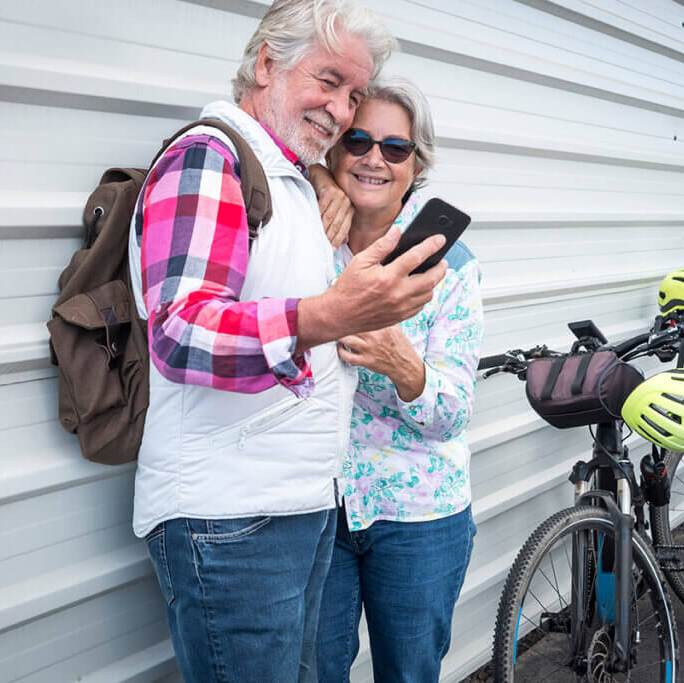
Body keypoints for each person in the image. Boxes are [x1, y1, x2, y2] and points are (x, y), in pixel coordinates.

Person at [127, 2, 451, 681]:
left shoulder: (290, 177)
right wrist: (329, 315)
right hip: (232, 521)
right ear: (268, 61)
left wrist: (326, 179)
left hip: (291, 509)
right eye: (327, 80)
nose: (339, 110)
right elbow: (181, 330)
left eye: (354, 95)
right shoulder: (207, 160)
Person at [310, 78, 484, 683]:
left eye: (395, 148)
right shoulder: (304, 239)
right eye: (356, 141)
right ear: (332, 149)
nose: (373, 158)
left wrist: (402, 362)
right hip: (316, 506)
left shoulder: (451, 268)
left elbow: (455, 412)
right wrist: (313, 180)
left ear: (417, 165)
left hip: (418, 515)